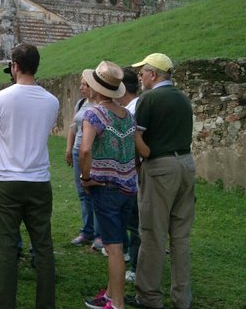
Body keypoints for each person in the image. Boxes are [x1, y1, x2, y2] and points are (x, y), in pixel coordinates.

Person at [0, 42, 59, 309]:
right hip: (38, 179)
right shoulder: (52, 101)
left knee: (6, 248)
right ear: (36, 67)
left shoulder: (0, 98)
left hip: (7, 180)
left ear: (14, 66)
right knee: (43, 245)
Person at [126, 54, 194, 309]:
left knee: (153, 234)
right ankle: (182, 298)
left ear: (153, 75)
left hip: (160, 168)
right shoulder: (182, 98)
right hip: (186, 164)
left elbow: (139, 142)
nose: (140, 77)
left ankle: (149, 296)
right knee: (180, 236)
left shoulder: (149, 98)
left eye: (142, 72)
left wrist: (139, 158)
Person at [79, 61, 137, 309]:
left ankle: (117, 304)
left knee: (113, 248)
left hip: (105, 187)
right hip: (128, 187)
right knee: (119, 242)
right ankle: (111, 294)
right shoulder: (127, 114)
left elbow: (85, 150)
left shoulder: (94, 114)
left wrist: (85, 177)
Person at [65, 73, 101, 249]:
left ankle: (99, 234)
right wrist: (69, 149)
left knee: (95, 193)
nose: (81, 88)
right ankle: (87, 231)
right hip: (78, 151)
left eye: (84, 85)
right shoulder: (81, 104)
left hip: (93, 153)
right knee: (82, 193)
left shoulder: (101, 105)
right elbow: (73, 127)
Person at [117, 67, 141, 283]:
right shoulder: (133, 106)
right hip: (131, 175)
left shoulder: (131, 111)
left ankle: (135, 267)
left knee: (136, 225)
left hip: (133, 176)